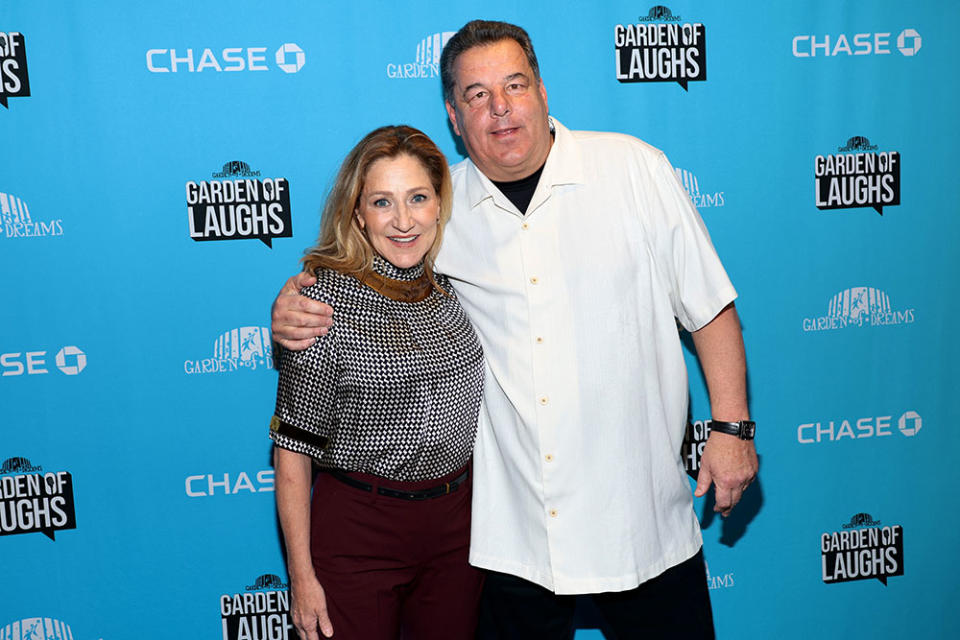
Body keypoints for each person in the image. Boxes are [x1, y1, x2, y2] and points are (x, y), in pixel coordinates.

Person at [272, 20, 758, 639]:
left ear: (543, 90)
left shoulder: (633, 168)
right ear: (453, 114)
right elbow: (361, 268)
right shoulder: (441, 207)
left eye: (514, 85)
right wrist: (290, 304)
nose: (499, 109)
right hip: (515, 542)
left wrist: (733, 426)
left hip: (642, 520)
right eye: (477, 95)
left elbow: (710, 306)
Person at [270, 125, 485, 640]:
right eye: (383, 203)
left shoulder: (460, 284)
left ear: (439, 203)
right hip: (359, 530)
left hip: (459, 529)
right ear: (358, 215)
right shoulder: (323, 303)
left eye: (418, 198)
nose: (404, 220)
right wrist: (301, 578)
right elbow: (293, 450)